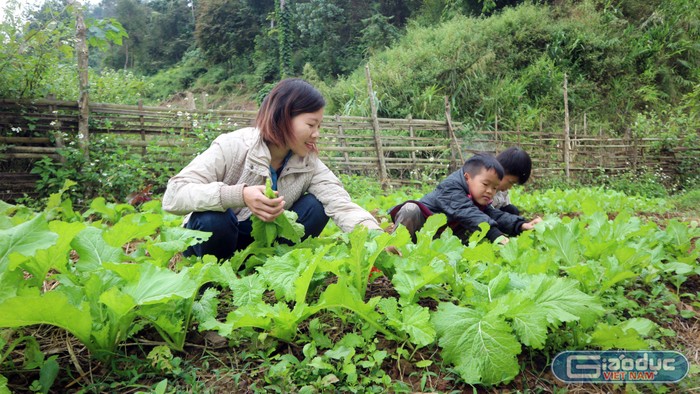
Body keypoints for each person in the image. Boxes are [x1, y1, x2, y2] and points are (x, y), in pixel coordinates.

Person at [162, 78, 381, 260]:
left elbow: (340, 203)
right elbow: (173, 194)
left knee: (317, 206)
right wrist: (239, 194)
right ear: (284, 118)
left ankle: (272, 264)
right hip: (217, 241)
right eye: (311, 125)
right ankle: (217, 277)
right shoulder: (234, 146)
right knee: (213, 217)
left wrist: (378, 240)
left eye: (319, 127)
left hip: (263, 243)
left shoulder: (308, 162)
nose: (316, 134)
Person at [389, 153, 541, 244]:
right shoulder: (451, 187)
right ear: (468, 178)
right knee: (411, 209)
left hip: (441, 239)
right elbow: (466, 211)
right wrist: (496, 235)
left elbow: (493, 214)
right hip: (421, 232)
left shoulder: (478, 195)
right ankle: (395, 247)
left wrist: (521, 225)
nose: (490, 191)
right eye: (485, 184)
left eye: (494, 188)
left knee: (477, 224)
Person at [492, 146, 532, 215]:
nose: (510, 187)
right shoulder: (484, 190)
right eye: (510, 182)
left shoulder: (502, 192)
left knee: (512, 210)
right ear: (501, 170)